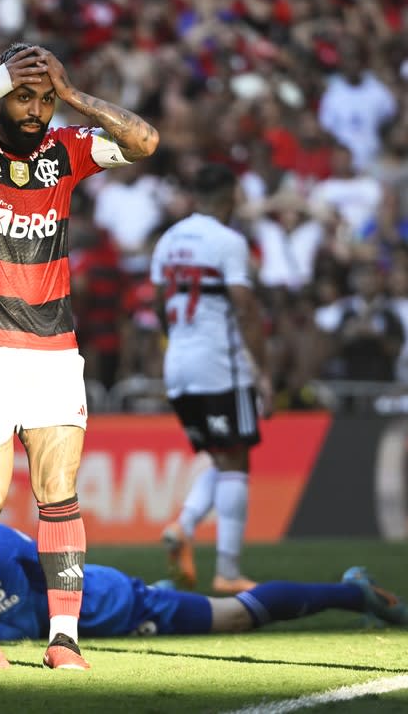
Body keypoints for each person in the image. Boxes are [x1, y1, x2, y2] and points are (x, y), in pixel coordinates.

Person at [0, 42, 159, 669]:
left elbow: (145, 141)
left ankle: (64, 639)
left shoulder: (66, 149)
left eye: (45, 98)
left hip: (53, 348)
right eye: (26, 95)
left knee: (59, 491)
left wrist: (73, 96)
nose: (38, 109)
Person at [0, 522, 408, 643]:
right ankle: (171, 581)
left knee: (234, 616)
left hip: (112, 606)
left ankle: (354, 591)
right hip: (96, 599)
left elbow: (28, 620)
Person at [150, 164, 272, 596]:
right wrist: (264, 372)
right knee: (236, 460)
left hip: (179, 365)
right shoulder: (229, 242)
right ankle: (228, 570)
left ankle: (183, 525)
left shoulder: (168, 240)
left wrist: (174, 347)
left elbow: (158, 301)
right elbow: (245, 309)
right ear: (229, 198)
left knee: (220, 458)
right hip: (221, 364)